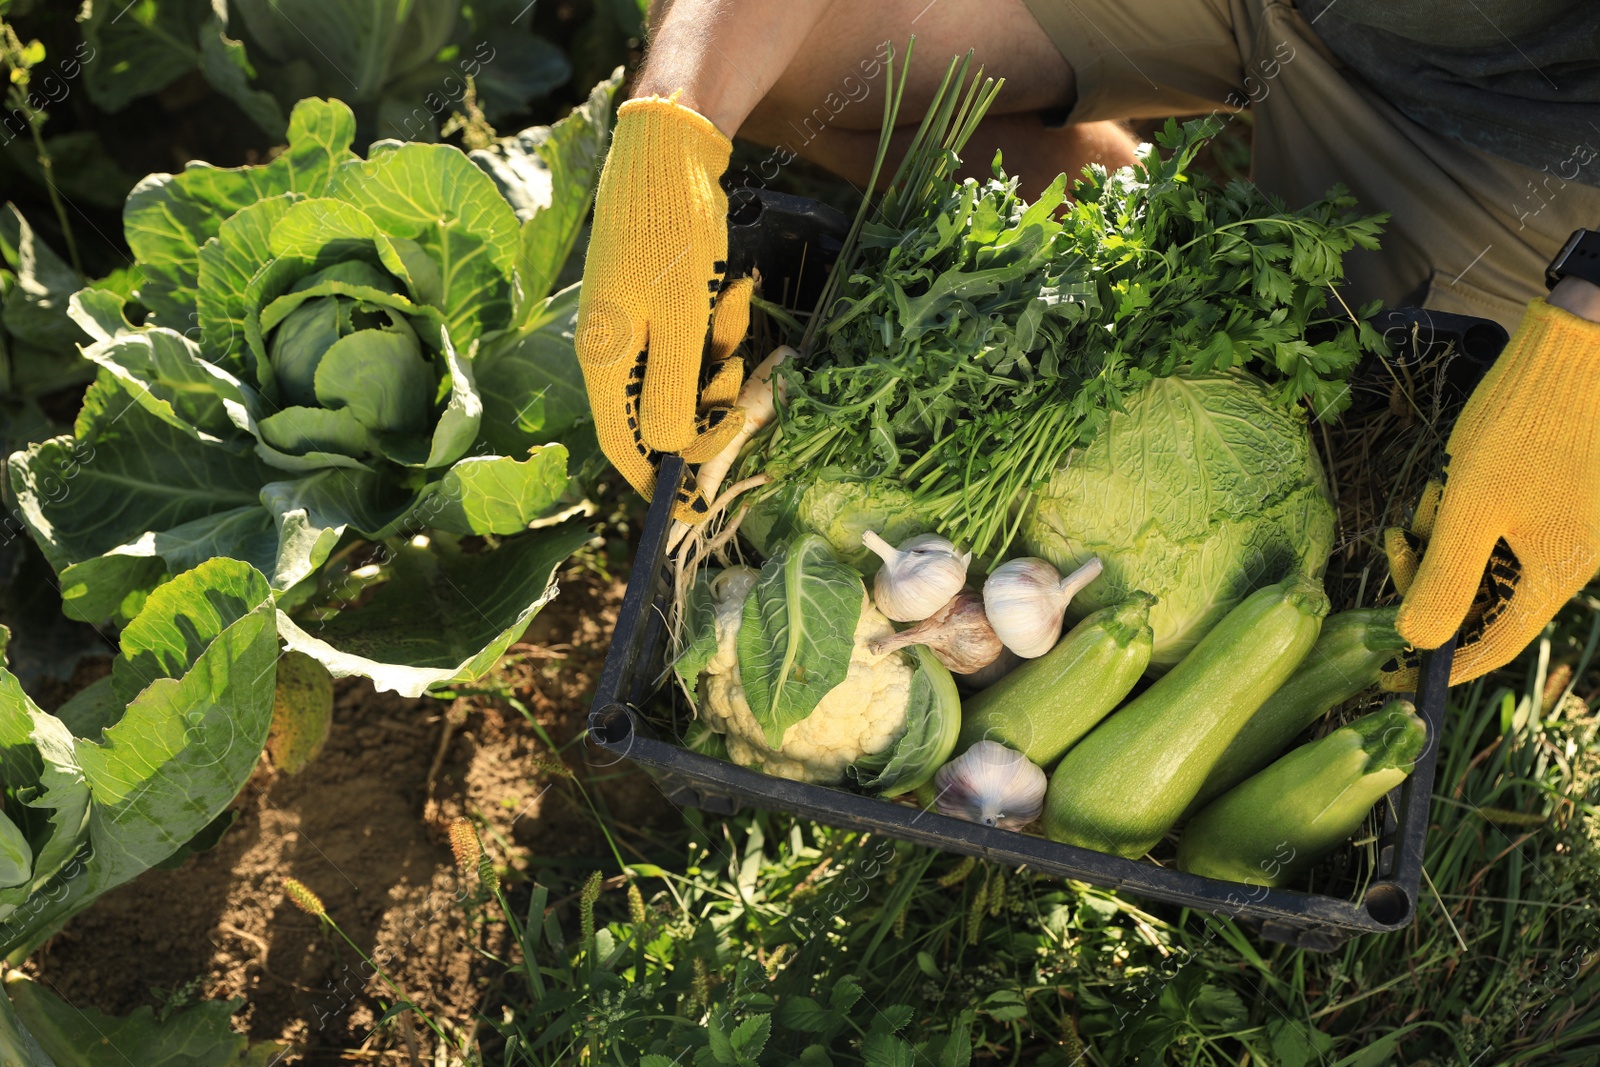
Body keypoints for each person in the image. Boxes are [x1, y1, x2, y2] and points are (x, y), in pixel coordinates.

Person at [573, 0, 1600, 684]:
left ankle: (1160, 248)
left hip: (1529, 126)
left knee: (1396, 436)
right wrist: (675, 115)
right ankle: (1126, 233)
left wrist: (1586, 332)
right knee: (789, 62)